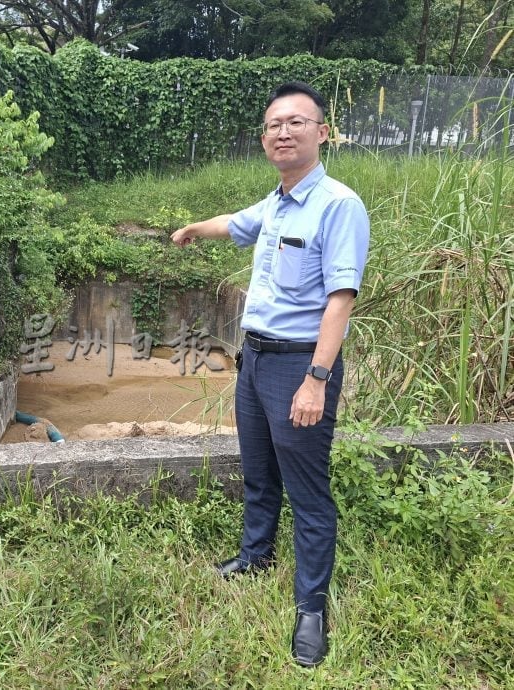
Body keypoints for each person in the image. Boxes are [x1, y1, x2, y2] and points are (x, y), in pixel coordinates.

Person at [171, 81, 370, 667]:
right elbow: (236, 222)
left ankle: (312, 607)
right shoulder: (277, 203)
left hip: (298, 364)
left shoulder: (338, 205)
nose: (283, 132)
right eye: (274, 125)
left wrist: (316, 378)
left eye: (296, 122)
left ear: (321, 133)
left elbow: (340, 300)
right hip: (254, 360)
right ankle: (255, 556)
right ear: (264, 139)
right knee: (259, 473)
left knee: (307, 491)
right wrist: (193, 229)